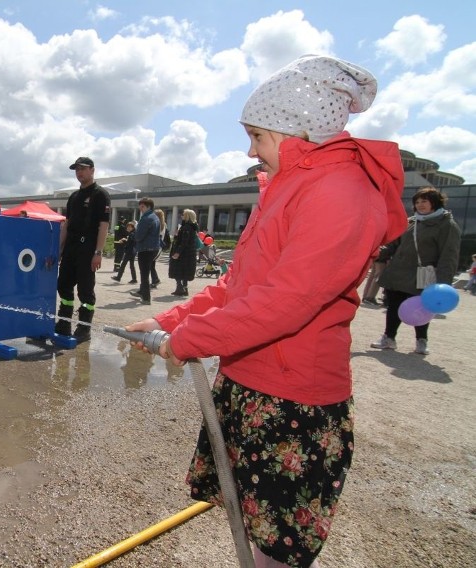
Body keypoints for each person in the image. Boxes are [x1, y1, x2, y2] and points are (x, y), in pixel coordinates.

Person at [124, 55, 407, 567]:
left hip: (293, 400)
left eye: (257, 135)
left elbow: (285, 302)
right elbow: (239, 284)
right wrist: (170, 320)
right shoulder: (287, 186)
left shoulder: (341, 192)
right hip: (250, 380)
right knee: (252, 528)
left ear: (297, 129)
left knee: (277, 547)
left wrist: (188, 340)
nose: (250, 149)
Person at [371, 186, 461, 355]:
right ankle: (389, 338)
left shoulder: (447, 224)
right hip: (399, 271)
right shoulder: (412, 222)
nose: (420, 205)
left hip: (424, 273)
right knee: (393, 306)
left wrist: (443, 284)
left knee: (422, 307)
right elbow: (393, 245)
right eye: (417, 202)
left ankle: (421, 340)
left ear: (434, 202)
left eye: (424, 201)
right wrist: (374, 252)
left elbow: (448, 255)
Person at [55, 156, 111, 343]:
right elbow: (66, 225)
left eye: (83, 169)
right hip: (71, 247)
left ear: (92, 170)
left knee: (85, 291)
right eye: (76, 169)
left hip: (88, 248)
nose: (79, 172)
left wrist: (98, 252)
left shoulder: (100, 195)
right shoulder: (74, 197)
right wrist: (59, 249)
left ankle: (84, 328)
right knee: (63, 285)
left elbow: (104, 226)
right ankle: (64, 322)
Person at [128, 197, 160, 305]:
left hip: (145, 249)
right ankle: (142, 292)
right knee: (146, 271)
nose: (140, 209)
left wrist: (135, 233)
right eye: (140, 206)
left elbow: (139, 236)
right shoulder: (154, 217)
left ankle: (146, 298)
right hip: (153, 248)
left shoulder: (146, 219)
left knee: (144, 273)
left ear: (148, 206)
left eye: (142, 207)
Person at [168, 209, 199, 296]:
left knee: (177, 270)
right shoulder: (193, 227)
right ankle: (185, 288)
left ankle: (179, 287)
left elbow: (183, 242)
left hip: (183, 253)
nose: (182, 216)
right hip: (190, 253)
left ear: (187, 216)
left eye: (183, 214)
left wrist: (177, 252)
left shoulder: (186, 227)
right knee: (185, 271)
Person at [149, 209, 166, 289]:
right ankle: (155, 280)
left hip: (154, 246)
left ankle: (155, 280)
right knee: (152, 264)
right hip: (159, 246)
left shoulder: (156, 224)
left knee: (149, 264)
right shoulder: (164, 224)